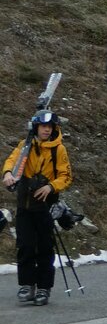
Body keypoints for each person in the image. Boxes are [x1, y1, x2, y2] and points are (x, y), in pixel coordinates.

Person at [2, 109, 72, 306]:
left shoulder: (58, 150)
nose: (46, 130)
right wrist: (8, 172)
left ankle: (43, 287)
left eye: (50, 127)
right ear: (36, 127)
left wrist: (51, 187)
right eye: (43, 126)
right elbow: (12, 160)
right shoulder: (26, 145)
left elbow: (65, 176)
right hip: (24, 205)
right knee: (24, 246)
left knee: (44, 249)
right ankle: (26, 285)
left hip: (44, 207)